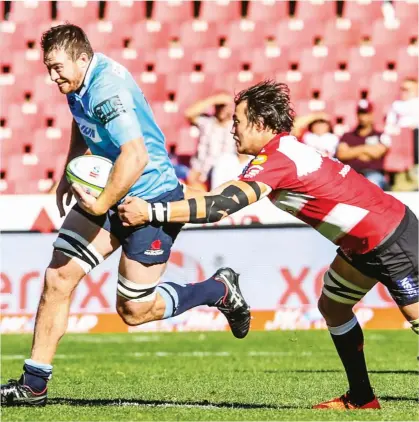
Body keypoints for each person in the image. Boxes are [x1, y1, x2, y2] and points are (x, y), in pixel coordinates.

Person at [118, 80, 419, 410]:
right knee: (333, 307)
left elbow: (221, 206)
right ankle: (362, 399)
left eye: (237, 120)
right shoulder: (280, 153)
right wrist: (156, 193)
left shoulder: (278, 158)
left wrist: (151, 210)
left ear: (260, 124)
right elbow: (212, 198)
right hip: (364, 242)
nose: (232, 129)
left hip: (389, 237)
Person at [1, 24, 250, 407]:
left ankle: (219, 289)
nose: (52, 77)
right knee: (59, 276)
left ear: (82, 58)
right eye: (47, 68)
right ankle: (34, 385)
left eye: (56, 68)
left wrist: (100, 205)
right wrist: (72, 166)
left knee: (133, 310)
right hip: (112, 192)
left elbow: (136, 157)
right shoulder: (80, 82)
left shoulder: (106, 89)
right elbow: (80, 120)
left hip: (151, 201)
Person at [185, 93, 236, 189]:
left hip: (225, 174)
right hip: (201, 173)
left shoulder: (235, 125)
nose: (222, 109)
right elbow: (188, 113)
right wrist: (213, 99)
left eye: (224, 106)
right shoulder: (207, 122)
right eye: (219, 106)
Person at [336, 100, 391, 190]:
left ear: (371, 115)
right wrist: (365, 149)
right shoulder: (347, 136)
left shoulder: (381, 135)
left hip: (373, 174)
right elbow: (342, 155)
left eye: (366, 114)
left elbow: (377, 153)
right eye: (360, 114)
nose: (363, 117)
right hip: (351, 173)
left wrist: (352, 151)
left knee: (372, 183)